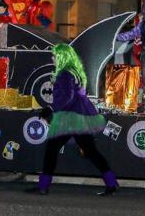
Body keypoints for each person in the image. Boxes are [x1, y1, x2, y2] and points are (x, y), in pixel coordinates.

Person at [31, 44, 117, 196]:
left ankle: (43, 186)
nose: (53, 58)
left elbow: (67, 97)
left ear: (63, 56)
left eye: (55, 56)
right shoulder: (75, 71)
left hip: (68, 118)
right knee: (91, 151)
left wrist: (51, 109)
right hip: (81, 116)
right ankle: (111, 183)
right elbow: (80, 93)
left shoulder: (64, 73)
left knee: (52, 150)